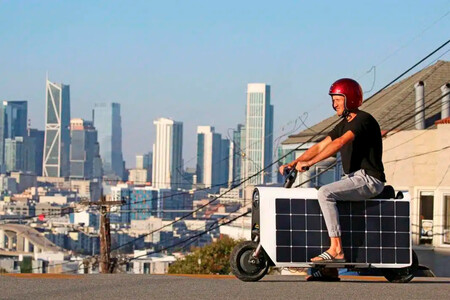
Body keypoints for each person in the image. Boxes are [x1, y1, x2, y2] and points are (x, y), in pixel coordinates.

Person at [279, 78, 386, 279]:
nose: (334, 103)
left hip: (369, 179)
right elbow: (321, 146)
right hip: (353, 178)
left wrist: (310, 164)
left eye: (338, 99)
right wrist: (294, 162)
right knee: (324, 203)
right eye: (333, 99)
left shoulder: (363, 120)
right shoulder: (343, 124)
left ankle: (336, 250)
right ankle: (330, 269)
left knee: (325, 193)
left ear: (350, 99)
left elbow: (338, 143)